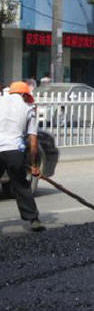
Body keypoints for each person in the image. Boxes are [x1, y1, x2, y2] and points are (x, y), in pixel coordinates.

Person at [0, 82, 45, 232]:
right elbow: (33, 140)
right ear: (24, 95)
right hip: (14, 152)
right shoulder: (28, 108)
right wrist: (34, 165)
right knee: (21, 185)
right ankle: (33, 220)